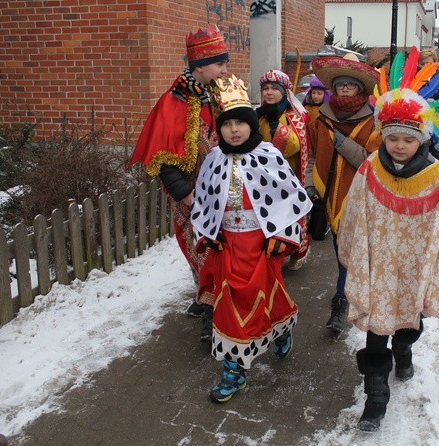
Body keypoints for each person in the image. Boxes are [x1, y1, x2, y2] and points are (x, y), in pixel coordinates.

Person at [337, 85, 439, 432]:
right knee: (376, 333)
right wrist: (356, 254)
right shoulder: (369, 169)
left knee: (408, 323)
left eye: (408, 139)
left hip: (413, 271)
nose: (399, 146)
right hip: (379, 268)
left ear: (421, 139)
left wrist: (437, 266)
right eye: (393, 139)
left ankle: (404, 350)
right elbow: (353, 214)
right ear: (384, 137)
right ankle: (376, 398)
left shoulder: (436, 176)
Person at [191, 76, 312, 402]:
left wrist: (283, 237)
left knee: (268, 296)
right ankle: (234, 370)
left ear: (249, 125)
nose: (234, 130)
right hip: (228, 246)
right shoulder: (214, 159)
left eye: (240, 123)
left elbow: (290, 199)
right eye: (227, 124)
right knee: (229, 305)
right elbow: (204, 201)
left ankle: (282, 328)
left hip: (261, 245)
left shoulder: (268, 155)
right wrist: (208, 233)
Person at [129, 25, 229, 341]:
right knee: (204, 252)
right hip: (191, 195)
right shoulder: (174, 103)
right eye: (220, 63)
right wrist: (185, 194)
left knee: (220, 249)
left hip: (219, 188)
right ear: (200, 65)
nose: (225, 69)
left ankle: (208, 299)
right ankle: (211, 315)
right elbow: (161, 158)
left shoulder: (216, 93)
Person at [305, 54, 382, 333]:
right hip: (329, 202)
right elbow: (312, 157)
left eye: (350, 85)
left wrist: (340, 142)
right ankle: (343, 296)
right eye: (340, 85)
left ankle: (343, 302)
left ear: (360, 89)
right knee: (342, 255)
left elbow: (370, 161)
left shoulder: (374, 124)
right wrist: (309, 185)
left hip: (361, 201)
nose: (345, 90)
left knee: (351, 254)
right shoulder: (319, 122)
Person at [256, 69, 312, 270]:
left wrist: (274, 126)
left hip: (288, 177)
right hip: (263, 178)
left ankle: (292, 250)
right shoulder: (259, 115)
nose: (269, 92)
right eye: (265, 89)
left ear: (284, 91)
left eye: (274, 89)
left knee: (288, 218)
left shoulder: (293, 117)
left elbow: (292, 146)